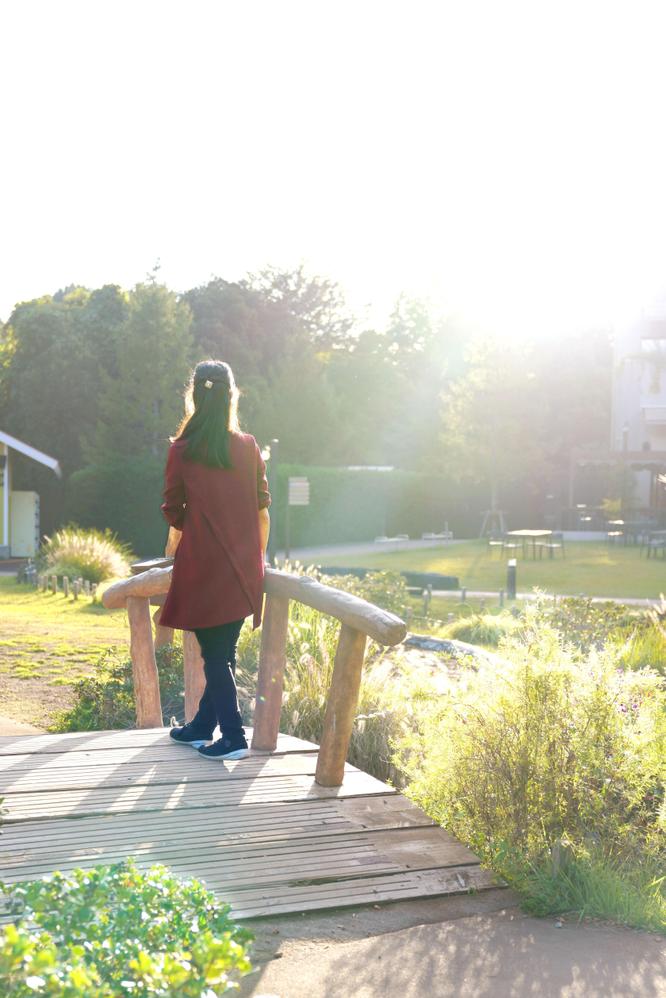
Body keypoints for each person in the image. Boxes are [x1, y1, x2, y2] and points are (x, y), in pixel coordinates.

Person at [160, 359, 271, 760]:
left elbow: (172, 509)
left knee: (216, 654)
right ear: (231, 395)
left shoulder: (182, 451)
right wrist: (258, 561)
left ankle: (233, 737)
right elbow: (262, 510)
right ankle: (202, 728)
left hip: (203, 568)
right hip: (244, 569)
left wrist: (198, 523)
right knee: (221, 653)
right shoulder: (247, 446)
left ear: (194, 396)